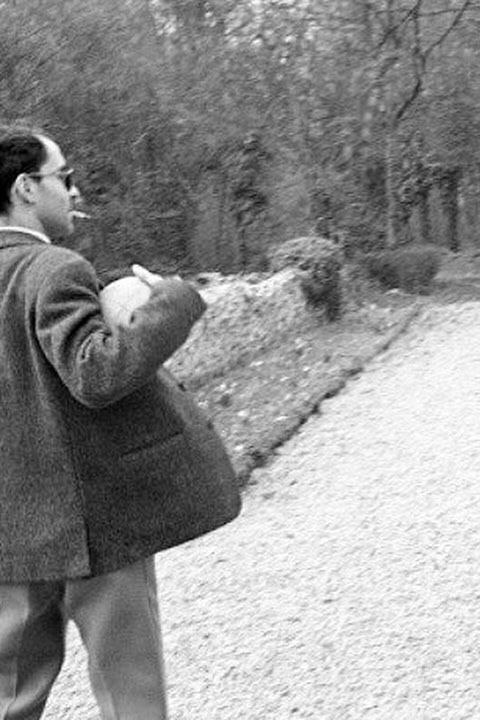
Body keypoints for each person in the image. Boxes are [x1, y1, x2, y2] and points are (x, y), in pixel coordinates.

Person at [0, 126, 241, 718]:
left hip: (10, 535)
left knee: (11, 699)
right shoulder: (53, 268)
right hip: (98, 528)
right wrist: (173, 302)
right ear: (26, 188)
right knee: (132, 699)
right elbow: (97, 373)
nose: (74, 191)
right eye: (65, 177)